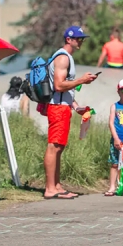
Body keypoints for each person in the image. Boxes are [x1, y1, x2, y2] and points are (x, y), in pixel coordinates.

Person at [44, 26, 98, 200]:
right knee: (54, 147)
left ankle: (56, 185)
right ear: (69, 39)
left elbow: (64, 90)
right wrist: (82, 80)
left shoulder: (67, 58)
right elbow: (59, 85)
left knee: (59, 147)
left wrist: (76, 106)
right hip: (57, 108)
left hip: (63, 107)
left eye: (82, 38)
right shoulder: (62, 58)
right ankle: (50, 188)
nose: (81, 41)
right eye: (78, 38)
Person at [105, 79, 123, 196]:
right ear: (119, 91)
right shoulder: (114, 106)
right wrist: (116, 139)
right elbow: (111, 123)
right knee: (114, 163)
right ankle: (112, 186)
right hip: (116, 139)